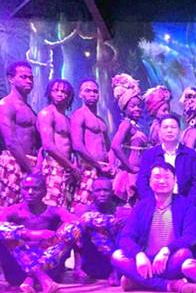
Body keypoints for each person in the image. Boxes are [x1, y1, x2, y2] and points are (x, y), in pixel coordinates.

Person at [111, 162, 196, 293]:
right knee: (117, 256)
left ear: (175, 180)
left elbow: (191, 237)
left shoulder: (185, 206)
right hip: (145, 262)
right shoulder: (142, 206)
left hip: (169, 261)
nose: (162, 181)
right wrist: (138, 254)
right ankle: (168, 285)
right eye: (157, 177)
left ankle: (138, 281)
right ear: (150, 181)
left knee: (184, 254)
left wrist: (167, 250)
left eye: (167, 177)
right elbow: (125, 237)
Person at [0, 173, 82, 293]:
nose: (30, 192)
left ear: (44, 191)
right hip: (18, 270)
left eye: (35, 189)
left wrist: (58, 235)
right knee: (5, 232)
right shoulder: (12, 211)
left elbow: (78, 223)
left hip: (49, 266)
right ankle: (41, 277)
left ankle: (32, 277)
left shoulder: (54, 211)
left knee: (74, 228)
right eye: (26, 188)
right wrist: (30, 234)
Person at [73, 177, 129, 286]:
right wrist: (77, 267)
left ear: (112, 192)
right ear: (92, 193)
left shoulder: (121, 212)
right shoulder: (82, 210)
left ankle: (116, 271)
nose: (102, 194)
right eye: (98, 190)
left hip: (113, 263)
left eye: (106, 190)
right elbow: (76, 242)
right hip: (90, 264)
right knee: (80, 226)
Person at [137, 113, 196, 204]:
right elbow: (142, 182)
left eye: (173, 127)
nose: (169, 130)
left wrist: (188, 204)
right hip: (155, 203)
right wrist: (151, 202)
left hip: (183, 203)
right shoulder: (150, 155)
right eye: (165, 127)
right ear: (159, 132)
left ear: (179, 131)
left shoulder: (190, 155)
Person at [0, 61, 39, 206]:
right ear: (11, 79)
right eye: (23, 77)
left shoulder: (29, 108)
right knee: (9, 208)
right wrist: (31, 170)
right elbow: (10, 141)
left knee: (27, 211)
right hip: (13, 161)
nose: (28, 81)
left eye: (31, 78)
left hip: (31, 162)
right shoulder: (6, 105)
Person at [70, 79, 114, 208]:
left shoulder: (101, 120)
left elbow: (108, 147)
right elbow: (77, 145)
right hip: (88, 168)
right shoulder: (79, 115)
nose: (92, 94)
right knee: (83, 205)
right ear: (80, 94)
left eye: (95, 91)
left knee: (102, 209)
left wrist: (111, 165)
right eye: (87, 91)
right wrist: (97, 165)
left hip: (103, 169)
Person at [37, 79, 79, 209]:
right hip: (53, 165)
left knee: (63, 206)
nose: (60, 94)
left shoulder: (67, 119)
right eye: (56, 90)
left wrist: (72, 165)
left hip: (66, 166)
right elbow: (48, 146)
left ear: (69, 96)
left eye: (64, 92)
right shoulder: (47, 114)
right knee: (50, 204)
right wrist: (72, 167)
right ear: (49, 93)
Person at [110, 73, 149, 204]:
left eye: (139, 106)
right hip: (130, 174)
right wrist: (129, 167)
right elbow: (115, 145)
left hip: (138, 170)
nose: (137, 109)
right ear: (124, 108)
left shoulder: (135, 126)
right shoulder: (126, 124)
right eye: (132, 106)